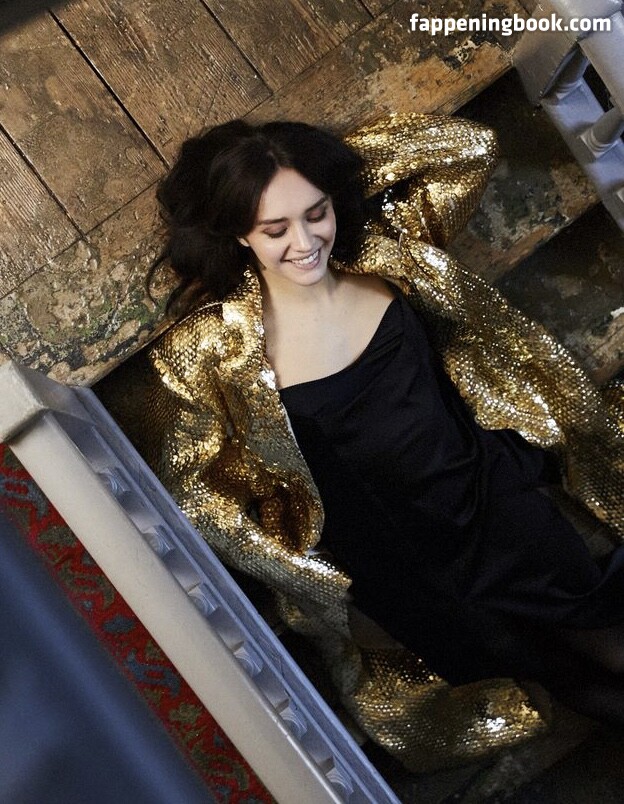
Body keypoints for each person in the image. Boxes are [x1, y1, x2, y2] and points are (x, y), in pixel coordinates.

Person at [142, 113, 624, 771]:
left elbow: (470, 146)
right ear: (236, 233)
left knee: (603, 631)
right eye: (275, 229)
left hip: (490, 506)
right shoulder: (214, 351)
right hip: (403, 569)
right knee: (554, 674)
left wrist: (312, 162)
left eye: (316, 213)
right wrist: (301, 568)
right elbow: (194, 493)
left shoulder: (388, 253)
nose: (305, 241)